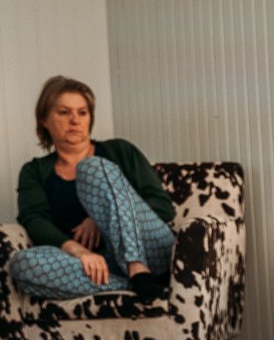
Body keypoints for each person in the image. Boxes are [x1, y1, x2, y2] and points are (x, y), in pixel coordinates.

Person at [10, 75, 176, 304]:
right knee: (23, 265)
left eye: (82, 112)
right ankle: (134, 285)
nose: (75, 120)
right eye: (64, 112)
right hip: (95, 262)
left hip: (151, 251)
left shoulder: (120, 151)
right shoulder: (35, 170)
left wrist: (102, 215)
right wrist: (81, 252)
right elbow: (35, 219)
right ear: (44, 120)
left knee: (91, 168)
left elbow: (164, 207)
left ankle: (137, 268)